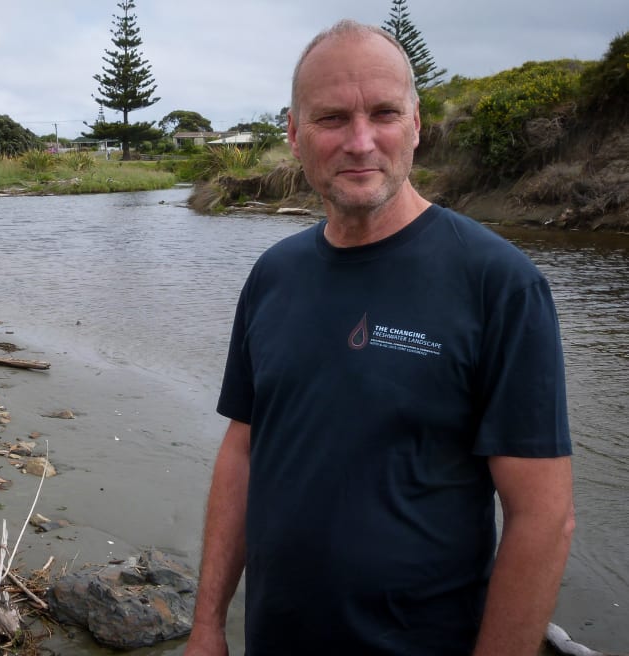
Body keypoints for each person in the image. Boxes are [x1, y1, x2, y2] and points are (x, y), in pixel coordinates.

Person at [185, 19, 575, 656]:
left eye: (384, 113)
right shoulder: (273, 275)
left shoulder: (499, 283)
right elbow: (243, 455)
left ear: (417, 124)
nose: (360, 142)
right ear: (293, 132)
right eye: (332, 118)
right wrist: (206, 628)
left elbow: (542, 518)